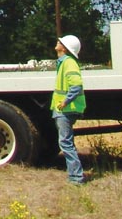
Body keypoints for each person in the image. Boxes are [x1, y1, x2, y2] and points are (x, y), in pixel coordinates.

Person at [52, 34, 87, 184]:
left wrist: (65, 102)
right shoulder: (65, 62)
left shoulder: (69, 63)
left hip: (66, 109)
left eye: (61, 42)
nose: (57, 42)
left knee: (66, 143)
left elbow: (76, 85)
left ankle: (76, 177)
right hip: (64, 109)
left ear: (65, 48)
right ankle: (75, 176)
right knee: (67, 142)